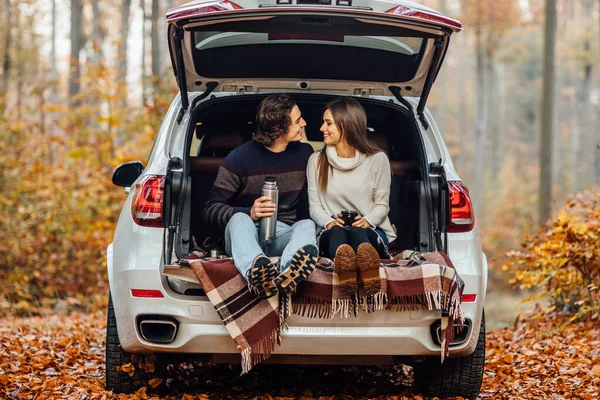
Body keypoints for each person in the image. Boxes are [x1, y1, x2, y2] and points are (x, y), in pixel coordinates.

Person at [203, 94, 318, 299]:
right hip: (245, 234)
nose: (304, 123)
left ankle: (288, 273)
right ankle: (256, 272)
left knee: (307, 225)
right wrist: (250, 212)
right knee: (239, 219)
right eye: (298, 120)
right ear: (279, 127)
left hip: (281, 233)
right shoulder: (239, 158)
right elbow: (211, 208)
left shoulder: (305, 154)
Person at [306, 97, 396, 291]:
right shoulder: (316, 161)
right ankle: (350, 280)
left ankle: (367, 276)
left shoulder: (378, 159)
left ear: (346, 125)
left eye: (328, 123)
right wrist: (329, 222)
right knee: (338, 232)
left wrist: (368, 220)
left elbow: (382, 206)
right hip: (331, 230)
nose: (321, 128)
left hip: (370, 229)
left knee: (357, 232)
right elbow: (314, 207)